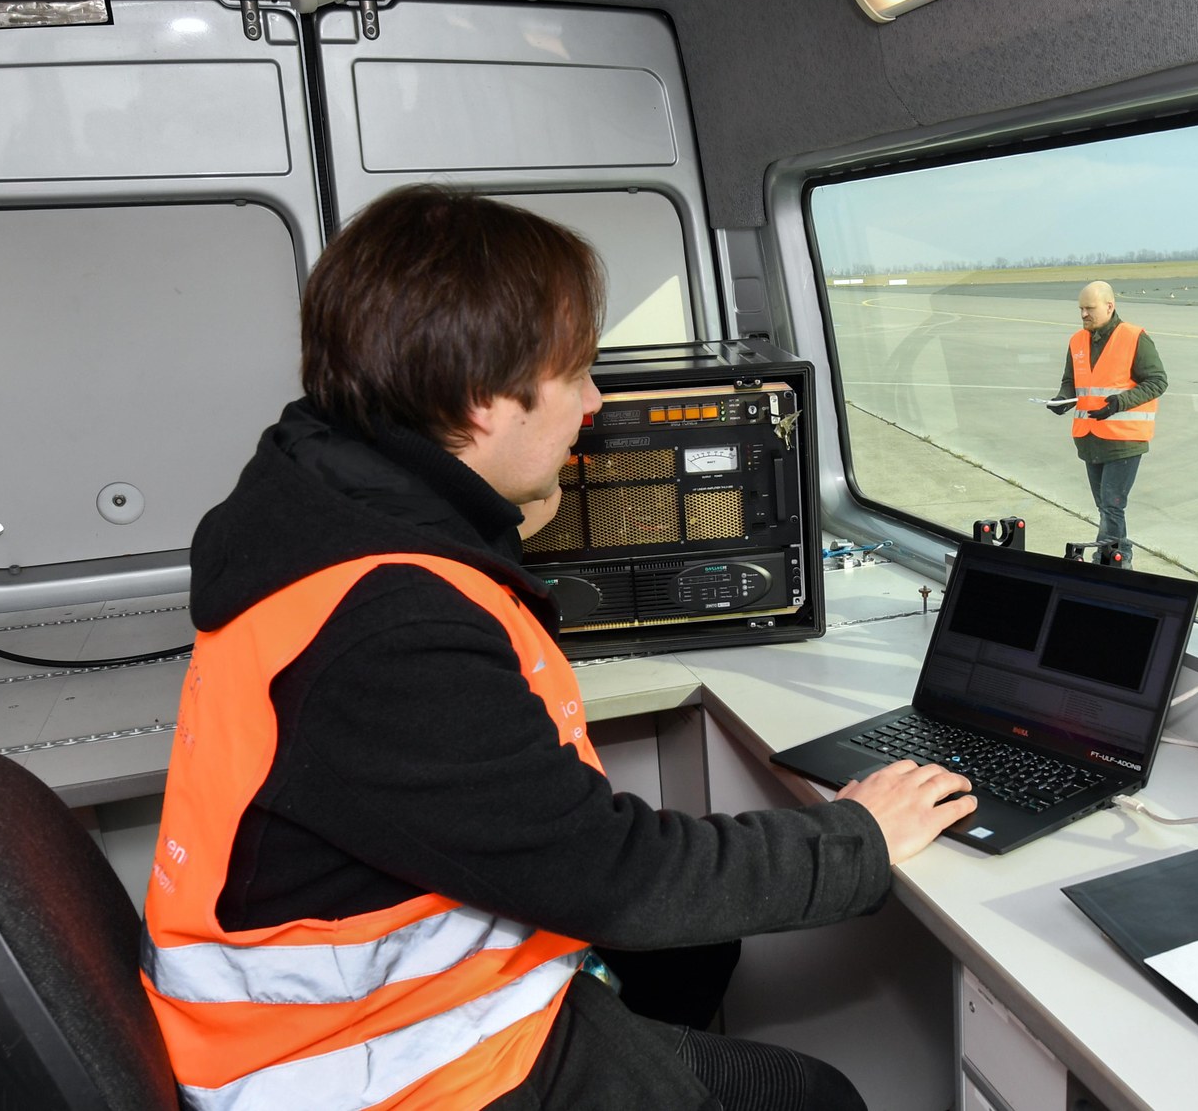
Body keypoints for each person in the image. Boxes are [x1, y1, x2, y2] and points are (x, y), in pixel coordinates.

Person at [140, 184, 976, 1111]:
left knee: (696, 948)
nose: (595, 400)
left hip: (402, 1006)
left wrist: (505, 509)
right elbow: (619, 879)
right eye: (576, 372)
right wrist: (857, 838)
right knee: (808, 1098)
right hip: (380, 1070)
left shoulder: (324, 511)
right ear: (478, 401)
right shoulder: (392, 629)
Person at [1050, 280, 1168, 566]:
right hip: (1090, 437)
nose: (1083, 315)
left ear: (1109, 306)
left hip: (1124, 439)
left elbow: (1157, 381)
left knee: (1112, 506)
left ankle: (1115, 560)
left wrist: (1119, 403)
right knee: (1104, 506)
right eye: (1080, 309)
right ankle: (1112, 556)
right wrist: (1062, 400)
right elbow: (1071, 382)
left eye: (1089, 308)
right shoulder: (1077, 341)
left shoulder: (1134, 337)